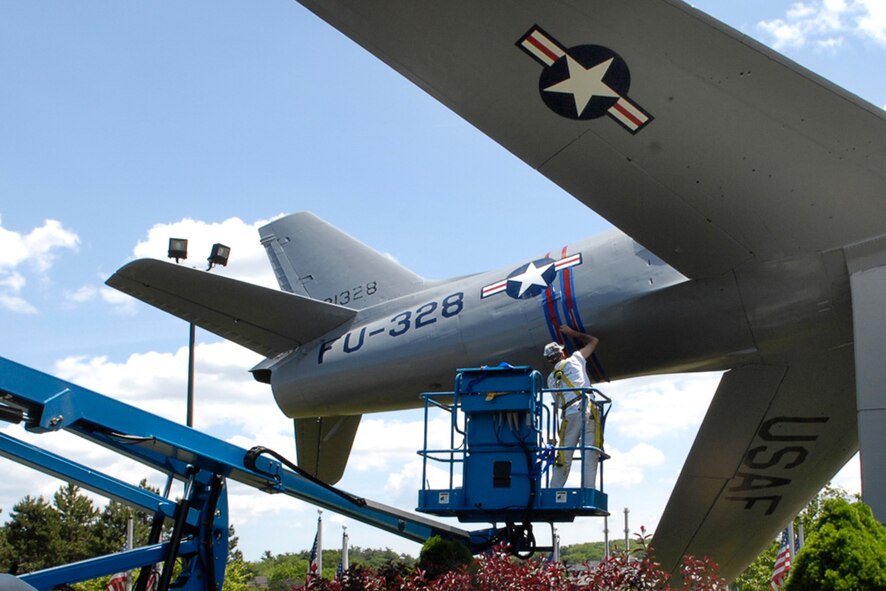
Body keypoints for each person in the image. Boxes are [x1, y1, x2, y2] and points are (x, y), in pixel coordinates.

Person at [544, 325, 601, 489]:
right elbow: (594, 341)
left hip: (568, 415)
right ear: (562, 353)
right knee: (590, 451)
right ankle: (588, 490)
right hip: (586, 408)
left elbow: (557, 406)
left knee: (564, 455)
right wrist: (572, 333)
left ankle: (554, 490)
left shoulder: (550, 379)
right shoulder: (575, 358)